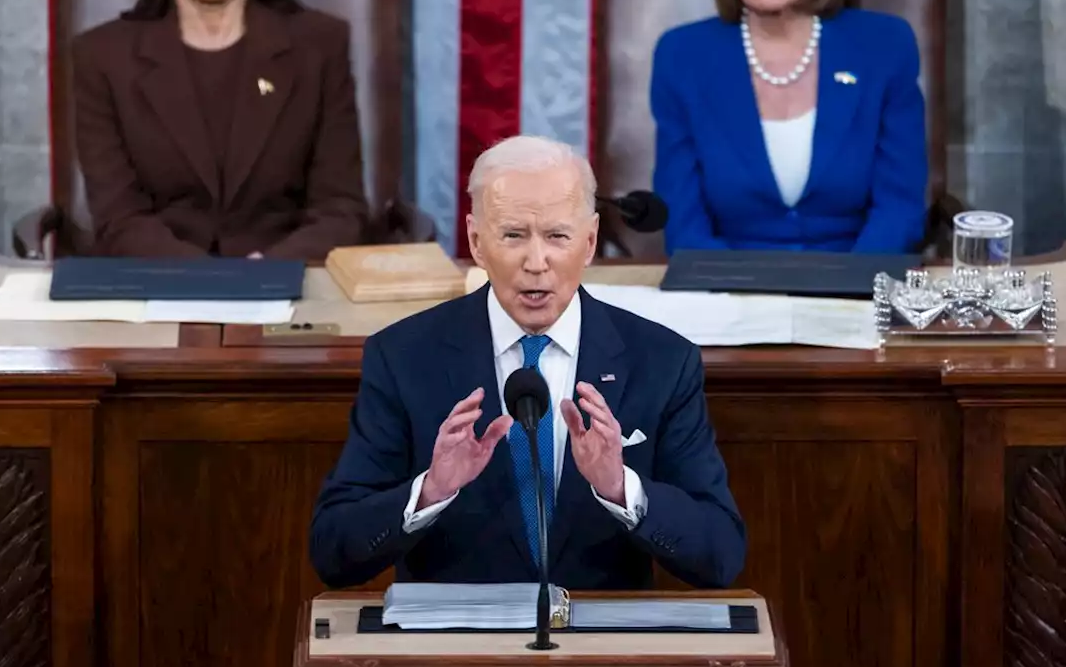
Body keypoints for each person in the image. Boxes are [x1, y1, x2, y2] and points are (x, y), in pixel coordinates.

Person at [309, 135, 746, 590]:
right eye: (513, 235)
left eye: (558, 236)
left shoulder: (661, 361)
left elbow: (720, 555)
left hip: (602, 650)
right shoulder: (403, 357)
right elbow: (333, 552)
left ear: (590, 240)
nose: (536, 262)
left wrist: (621, 487)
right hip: (456, 652)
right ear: (477, 242)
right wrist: (430, 491)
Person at [73, 0, 369, 259]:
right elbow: (119, 217)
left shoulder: (319, 46)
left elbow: (340, 208)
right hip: (159, 284)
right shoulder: (103, 57)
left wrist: (264, 271)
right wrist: (210, 281)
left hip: (288, 283)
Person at [650, 0, 928, 255]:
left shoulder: (884, 47)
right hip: (726, 292)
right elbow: (682, 215)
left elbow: (899, 206)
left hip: (855, 287)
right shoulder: (682, 57)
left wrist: (844, 293)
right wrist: (732, 299)